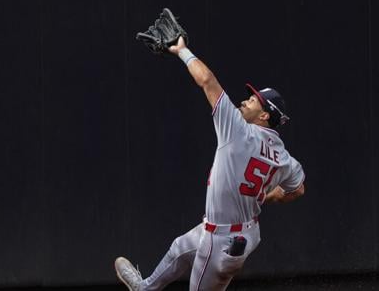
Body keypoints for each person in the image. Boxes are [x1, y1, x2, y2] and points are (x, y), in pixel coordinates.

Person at [114, 36, 306, 291]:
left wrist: (182, 51)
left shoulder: (238, 131)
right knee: (180, 248)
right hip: (242, 232)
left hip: (222, 240)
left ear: (263, 115)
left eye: (253, 101)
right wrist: (268, 197)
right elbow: (298, 189)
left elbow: (207, 81)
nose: (245, 101)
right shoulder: (283, 157)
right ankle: (144, 287)